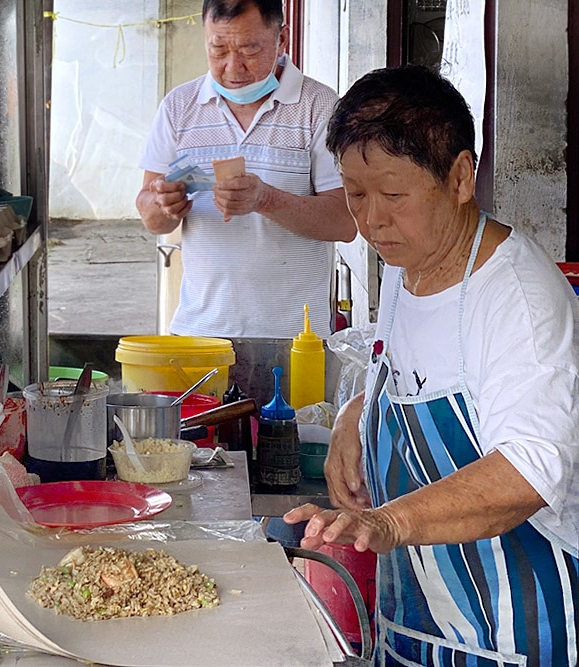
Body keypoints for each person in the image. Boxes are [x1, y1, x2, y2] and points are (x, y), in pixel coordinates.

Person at [284, 65, 579, 666]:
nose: (370, 220)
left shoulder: (516, 299)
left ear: (461, 178)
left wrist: (389, 524)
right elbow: (411, 372)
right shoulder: (404, 267)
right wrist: (354, 413)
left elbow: (528, 471)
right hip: (416, 628)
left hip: (515, 638)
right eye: (354, 194)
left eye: (393, 195)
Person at [136, 0, 355, 339]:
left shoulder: (320, 107)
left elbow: (345, 222)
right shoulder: (179, 107)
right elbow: (151, 217)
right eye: (218, 49)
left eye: (249, 50)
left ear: (282, 39)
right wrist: (164, 205)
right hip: (199, 335)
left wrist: (265, 199)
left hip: (296, 340)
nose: (232, 68)